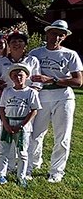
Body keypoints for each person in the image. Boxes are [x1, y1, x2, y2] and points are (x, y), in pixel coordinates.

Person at [28, 20, 83, 182]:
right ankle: (32, 164)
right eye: (54, 33)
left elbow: (78, 81)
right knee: (35, 133)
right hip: (41, 97)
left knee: (62, 136)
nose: (56, 37)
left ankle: (57, 170)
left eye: (61, 35)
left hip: (63, 97)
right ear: (47, 33)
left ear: (65, 37)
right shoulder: (35, 53)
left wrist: (52, 79)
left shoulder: (70, 54)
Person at [0, 64, 41, 186]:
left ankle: (21, 176)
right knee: (4, 151)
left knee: (22, 152)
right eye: (15, 75)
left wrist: (21, 125)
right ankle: (1, 174)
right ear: (11, 77)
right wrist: (5, 124)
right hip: (8, 123)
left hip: (23, 125)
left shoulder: (31, 92)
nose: (18, 78)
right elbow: (1, 108)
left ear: (26, 76)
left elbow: (34, 110)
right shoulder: (7, 91)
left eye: (21, 75)